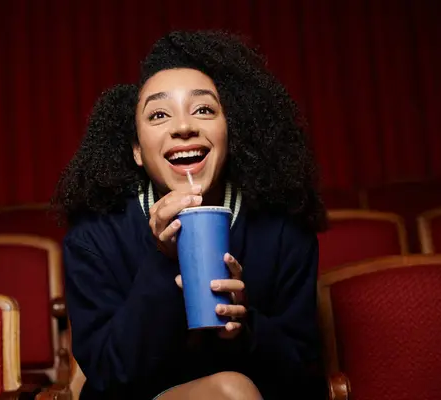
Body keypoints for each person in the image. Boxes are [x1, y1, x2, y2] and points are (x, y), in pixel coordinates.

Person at [51, 30, 328, 400]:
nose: (184, 127)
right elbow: (105, 375)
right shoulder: (95, 237)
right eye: (159, 114)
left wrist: (246, 328)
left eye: (203, 109)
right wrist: (163, 262)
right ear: (136, 150)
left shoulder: (283, 231)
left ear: (232, 131)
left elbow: (303, 375)